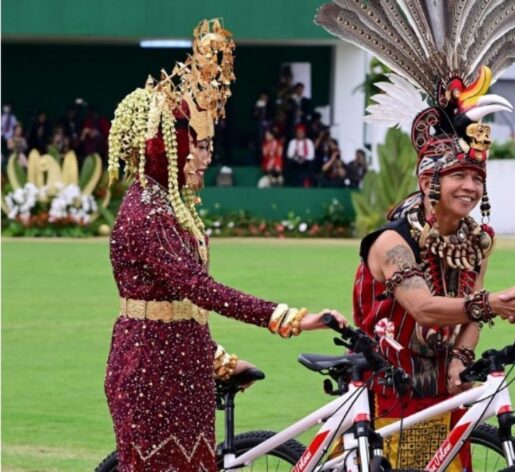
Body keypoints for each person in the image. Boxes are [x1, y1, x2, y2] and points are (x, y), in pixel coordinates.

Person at [103, 20, 346, 471]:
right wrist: (290, 318)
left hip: (184, 368)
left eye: (209, 146)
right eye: (197, 146)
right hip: (151, 377)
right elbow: (199, 289)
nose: (206, 158)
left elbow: (179, 306)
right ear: (166, 147)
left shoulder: (173, 208)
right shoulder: (146, 214)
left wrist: (215, 358)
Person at [316, 0, 515, 469]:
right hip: (389, 389)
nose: (469, 187)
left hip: (445, 391)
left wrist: (463, 358)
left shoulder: (479, 237)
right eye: (459, 176)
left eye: (477, 178)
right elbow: (422, 307)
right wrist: (494, 304)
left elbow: (471, 310)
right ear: (428, 182)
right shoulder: (391, 243)